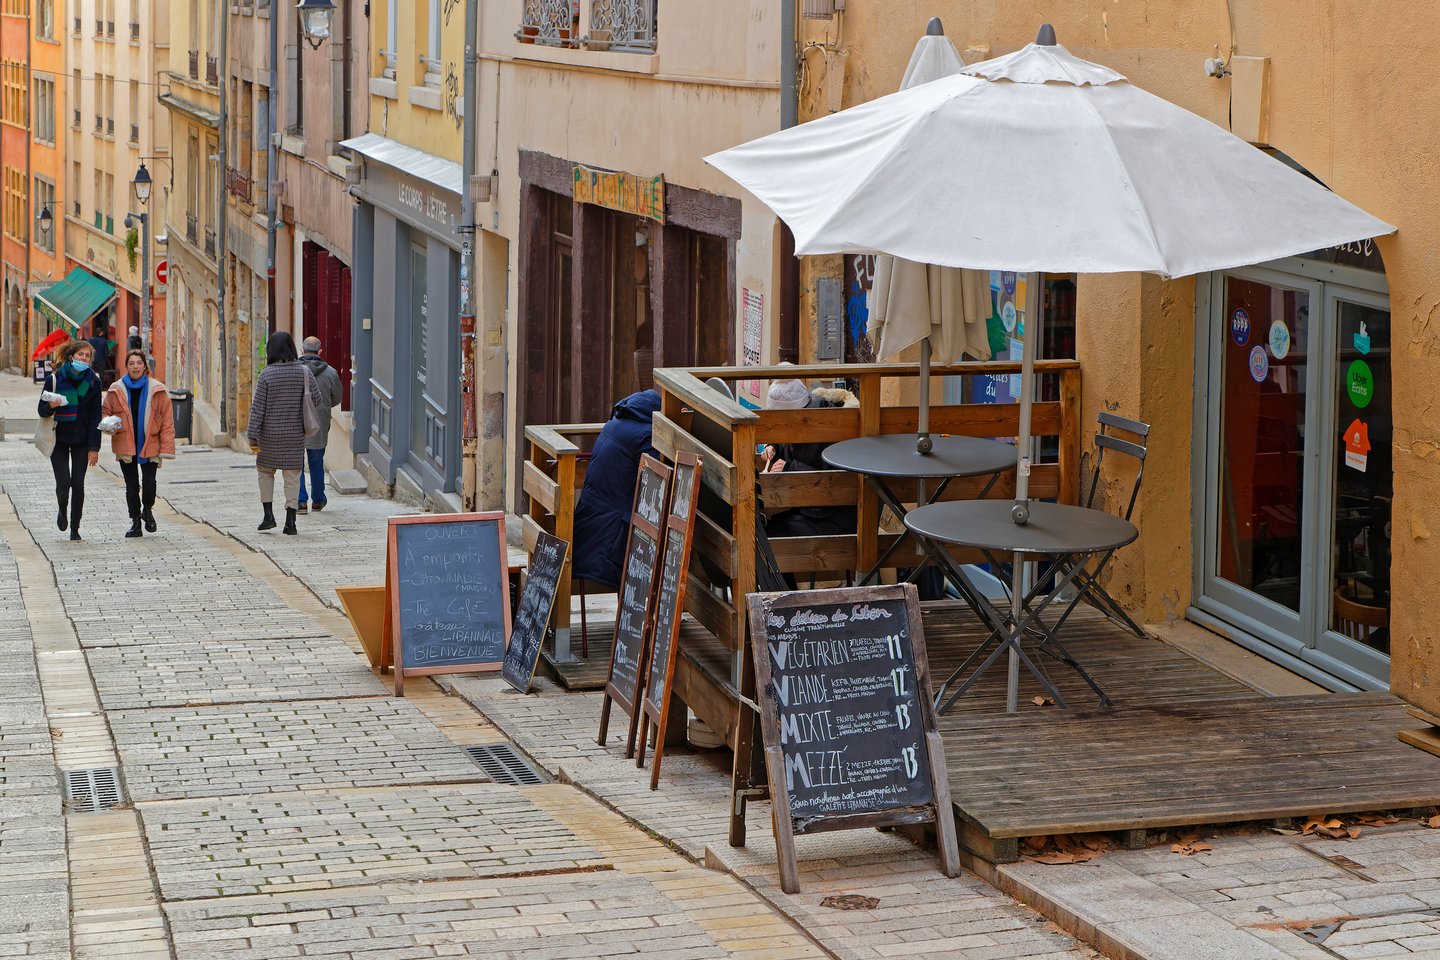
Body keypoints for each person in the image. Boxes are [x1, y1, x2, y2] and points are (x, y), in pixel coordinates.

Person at [572, 389, 662, 589]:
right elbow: (660, 480)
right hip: (613, 530)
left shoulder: (614, 423)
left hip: (594, 519)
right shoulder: (647, 437)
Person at [247, 331, 322, 536]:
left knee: (265, 472)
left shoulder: (266, 375)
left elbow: (258, 408)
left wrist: (252, 434)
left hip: (269, 436)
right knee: (292, 476)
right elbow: (317, 399)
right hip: (294, 435)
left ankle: (268, 516)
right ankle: (291, 521)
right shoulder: (304, 372)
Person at [102, 350, 176, 538]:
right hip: (125, 443)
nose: (135, 366)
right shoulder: (116, 389)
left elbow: (167, 421)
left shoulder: (157, 389)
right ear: (126, 367)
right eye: (131, 363)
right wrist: (109, 424)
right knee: (131, 485)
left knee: (149, 483)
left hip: (150, 443)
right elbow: (105, 412)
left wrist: (167, 448)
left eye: (138, 363)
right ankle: (135, 521)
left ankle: (148, 510)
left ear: (145, 366)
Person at [37, 339, 103, 541]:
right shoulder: (55, 379)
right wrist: (52, 406)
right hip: (59, 438)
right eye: (80, 355)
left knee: (78, 484)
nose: (83, 358)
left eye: (87, 356)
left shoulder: (94, 382)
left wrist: (94, 448)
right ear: (71, 356)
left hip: (82, 440)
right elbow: (41, 410)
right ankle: (62, 509)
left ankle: (75, 528)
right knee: (64, 484)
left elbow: (95, 417)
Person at [296, 336, 343, 514]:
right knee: (316, 461)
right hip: (319, 422)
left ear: (302, 351)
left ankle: (300, 501)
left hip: (296, 421)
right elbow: (337, 398)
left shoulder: (294, 371)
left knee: (296, 464)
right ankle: (318, 500)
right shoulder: (330, 372)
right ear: (320, 351)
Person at [85, 321, 116, 388]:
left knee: (91, 373)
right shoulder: (104, 341)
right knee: (101, 374)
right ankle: (101, 387)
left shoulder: (90, 340)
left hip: (92, 359)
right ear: (101, 333)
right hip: (101, 360)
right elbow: (107, 352)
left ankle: (91, 386)